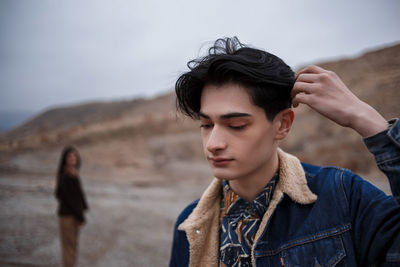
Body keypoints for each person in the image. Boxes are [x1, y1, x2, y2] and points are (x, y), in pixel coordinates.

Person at [169, 37, 400, 266]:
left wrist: (370, 122)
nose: (213, 143)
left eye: (236, 125)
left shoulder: (343, 195)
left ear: (282, 124)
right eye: (206, 125)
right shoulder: (190, 224)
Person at [55, 145, 89, 267]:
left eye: (75, 155)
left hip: (72, 215)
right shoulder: (66, 176)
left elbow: (78, 195)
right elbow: (70, 199)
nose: (73, 158)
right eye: (70, 156)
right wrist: (80, 217)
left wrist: (83, 209)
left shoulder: (73, 173)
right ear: (65, 159)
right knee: (69, 249)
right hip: (68, 216)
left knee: (72, 247)